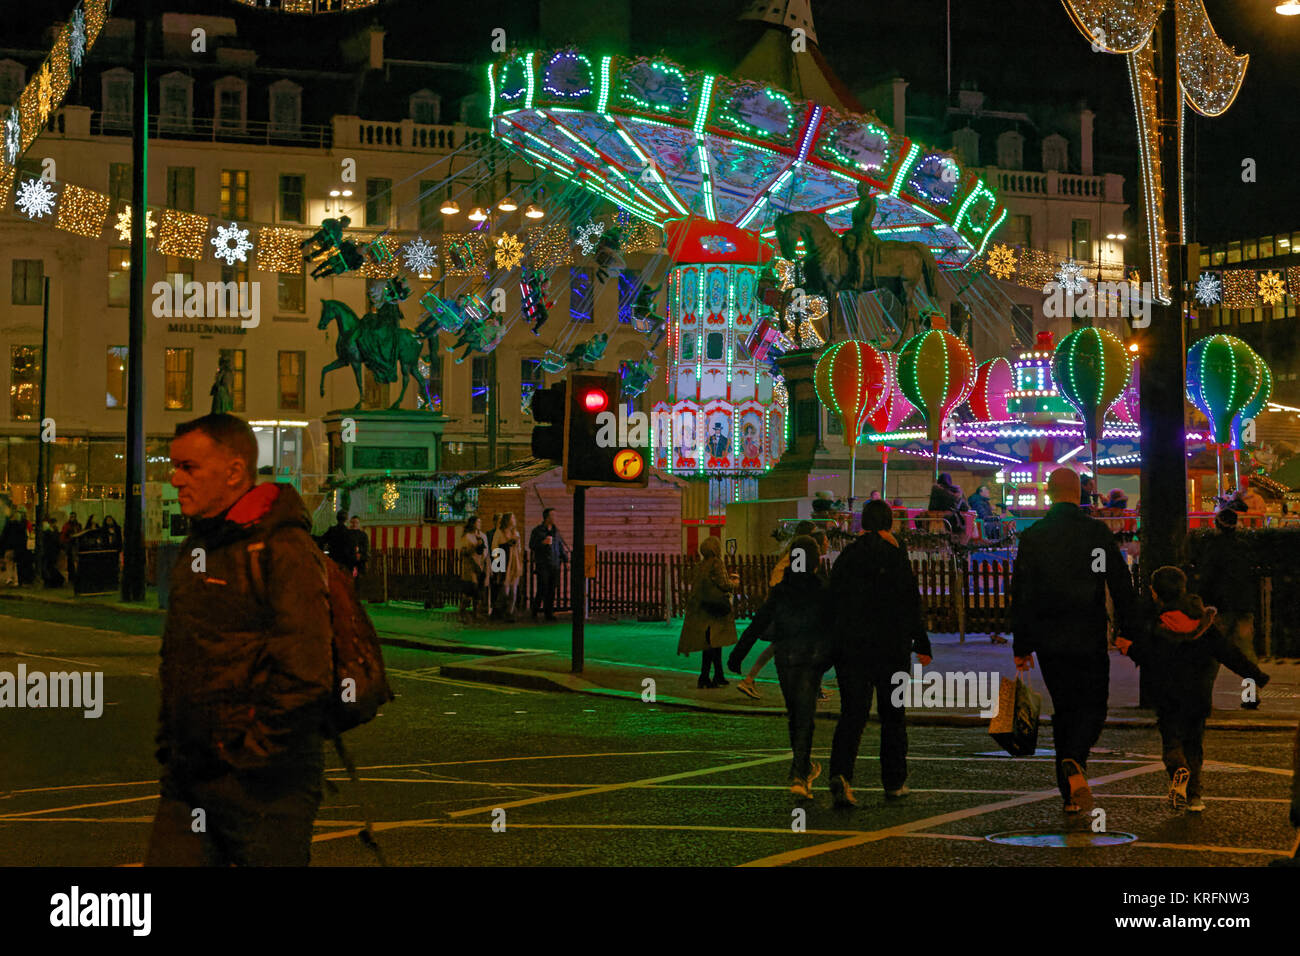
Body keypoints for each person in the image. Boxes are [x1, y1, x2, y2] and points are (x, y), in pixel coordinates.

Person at [147, 413, 332, 866]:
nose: (175, 479)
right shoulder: (199, 546)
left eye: (189, 468)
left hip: (266, 788)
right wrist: (175, 747)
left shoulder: (282, 548)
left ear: (233, 471)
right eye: (175, 466)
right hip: (189, 779)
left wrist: (251, 756)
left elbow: (306, 674)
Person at [1012, 467, 1136, 814]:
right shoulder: (1095, 533)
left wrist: (1021, 645)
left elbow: (1022, 592)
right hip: (1088, 632)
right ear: (1079, 494)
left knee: (1064, 709)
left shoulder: (1034, 536)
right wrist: (1128, 630)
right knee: (1094, 706)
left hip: (1050, 638)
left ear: (1050, 494)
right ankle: (1074, 761)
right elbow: (1120, 582)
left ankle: (1069, 790)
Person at [1118, 566, 1270, 813]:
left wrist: (1129, 648)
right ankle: (1195, 797)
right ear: (1184, 588)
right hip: (1198, 696)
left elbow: (1150, 655)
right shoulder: (1204, 622)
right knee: (1195, 743)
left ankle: (1178, 767)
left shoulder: (1158, 623)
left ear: (1156, 593)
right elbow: (1229, 653)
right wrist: (1256, 675)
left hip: (1168, 697)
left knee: (1172, 742)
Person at [826, 500, 932, 806]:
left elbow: (833, 601)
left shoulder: (848, 557)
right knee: (893, 717)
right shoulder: (895, 556)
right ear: (889, 524)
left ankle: (842, 774)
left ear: (863, 524)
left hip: (852, 650)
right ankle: (894, 781)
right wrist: (922, 643)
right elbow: (910, 601)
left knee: (852, 715)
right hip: (891, 648)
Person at [728, 535, 832, 798]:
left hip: (785, 659)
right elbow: (836, 625)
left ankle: (801, 768)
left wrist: (738, 654)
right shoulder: (821, 589)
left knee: (795, 714)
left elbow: (758, 622)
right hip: (810, 659)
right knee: (805, 717)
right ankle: (800, 773)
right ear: (814, 561)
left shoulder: (781, 590)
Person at [1192, 507, 1264, 710]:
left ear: (1217, 524)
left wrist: (1202, 603)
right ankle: (1250, 696)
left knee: (1212, 653)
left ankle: (1204, 697)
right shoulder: (1245, 547)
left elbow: (1206, 579)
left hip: (1219, 608)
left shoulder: (1213, 548)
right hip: (1243, 606)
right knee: (1246, 653)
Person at [678, 537, 739, 689]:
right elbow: (724, 584)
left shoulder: (700, 565)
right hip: (715, 609)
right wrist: (734, 584)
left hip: (703, 609)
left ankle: (717, 675)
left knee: (711, 642)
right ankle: (705, 677)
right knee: (713, 643)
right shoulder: (717, 563)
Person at [529, 508, 569, 621]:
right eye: (553, 515)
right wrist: (542, 543)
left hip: (555, 563)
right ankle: (535, 610)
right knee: (543, 588)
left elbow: (559, 546)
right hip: (543, 563)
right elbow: (532, 545)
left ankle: (549, 613)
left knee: (552, 589)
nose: (555, 518)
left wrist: (565, 559)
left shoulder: (556, 531)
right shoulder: (538, 531)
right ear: (547, 517)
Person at [492, 513, 523, 622]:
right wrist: (497, 565)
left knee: (513, 590)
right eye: (512, 518)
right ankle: (499, 610)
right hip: (505, 563)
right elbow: (495, 548)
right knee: (505, 589)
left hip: (514, 562)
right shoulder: (499, 533)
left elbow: (519, 549)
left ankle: (510, 612)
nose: (514, 520)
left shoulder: (516, 533)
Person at [458, 516, 489, 623]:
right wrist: (474, 547)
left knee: (479, 591)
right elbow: (464, 552)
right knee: (471, 588)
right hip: (470, 566)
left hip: (481, 565)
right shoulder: (467, 537)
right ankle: (462, 610)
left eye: (480, 522)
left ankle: (477, 612)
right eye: (477, 522)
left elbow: (486, 552)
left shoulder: (483, 536)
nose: (479, 524)